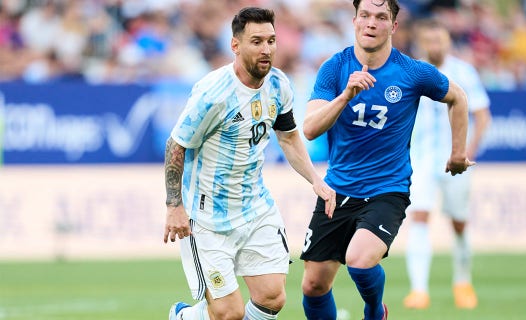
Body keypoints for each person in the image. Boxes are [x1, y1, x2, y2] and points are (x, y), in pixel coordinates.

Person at [299, 1, 474, 319]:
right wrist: (345, 96)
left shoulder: (412, 72)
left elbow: (458, 98)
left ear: (393, 27)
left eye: (381, 17)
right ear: (354, 21)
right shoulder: (335, 68)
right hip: (337, 190)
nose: (371, 23)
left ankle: (375, 311)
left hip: (387, 189)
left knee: (360, 259)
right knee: (313, 286)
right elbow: (310, 129)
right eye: (365, 16)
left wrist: (458, 153)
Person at [163, 7, 336, 320]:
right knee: (229, 314)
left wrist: (315, 179)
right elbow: (176, 144)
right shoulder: (213, 94)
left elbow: (288, 137)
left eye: (271, 40)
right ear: (235, 45)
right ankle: (184, 317)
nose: (266, 49)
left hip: (255, 208)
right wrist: (174, 206)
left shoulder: (279, 85)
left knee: (272, 297)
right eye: (256, 41)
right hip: (209, 218)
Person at [403, 19, 492, 310]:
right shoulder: (410, 71)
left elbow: (483, 116)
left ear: (448, 42)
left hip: (456, 159)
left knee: (459, 222)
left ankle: (463, 282)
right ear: (422, 43)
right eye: (429, 41)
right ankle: (419, 291)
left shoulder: (463, 72)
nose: (435, 46)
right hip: (421, 159)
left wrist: (467, 151)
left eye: (439, 40)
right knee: (418, 217)